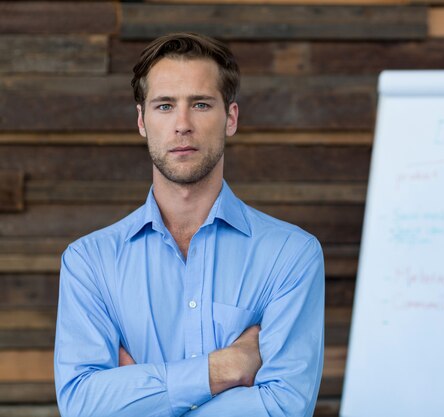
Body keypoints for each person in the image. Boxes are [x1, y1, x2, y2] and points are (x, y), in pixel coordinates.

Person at [54, 32, 325, 417]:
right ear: (142, 121)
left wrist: (140, 397)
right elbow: (81, 405)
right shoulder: (89, 262)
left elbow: (283, 406)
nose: (182, 124)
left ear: (230, 118)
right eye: (164, 106)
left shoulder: (290, 255)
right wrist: (224, 368)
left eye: (200, 104)